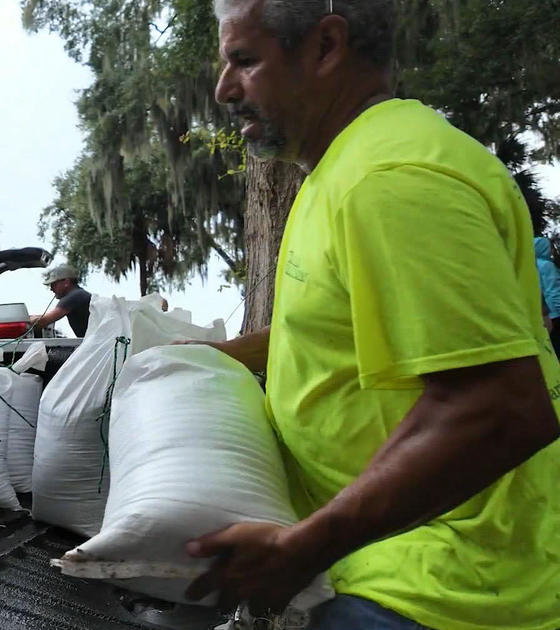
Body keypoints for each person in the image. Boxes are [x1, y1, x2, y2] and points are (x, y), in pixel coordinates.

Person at [181, 1, 560, 629]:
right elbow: (339, 331)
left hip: (444, 586)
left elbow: (497, 406)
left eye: (244, 61)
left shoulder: (391, 180)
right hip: (386, 555)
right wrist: (196, 362)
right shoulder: (339, 168)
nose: (223, 88)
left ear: (326, 46)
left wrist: (302, 548)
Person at [28, 264, 92, 336]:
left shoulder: (73, 297)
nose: (51, 289)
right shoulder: (79, 294)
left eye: (54, 284)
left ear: (66, 282)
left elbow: (43, 321)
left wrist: (24, 321)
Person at [536, 236, 560, 351]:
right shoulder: (547, 265)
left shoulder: (532, 265)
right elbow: (553, 290)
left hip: (543, 313)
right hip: (555, 313)